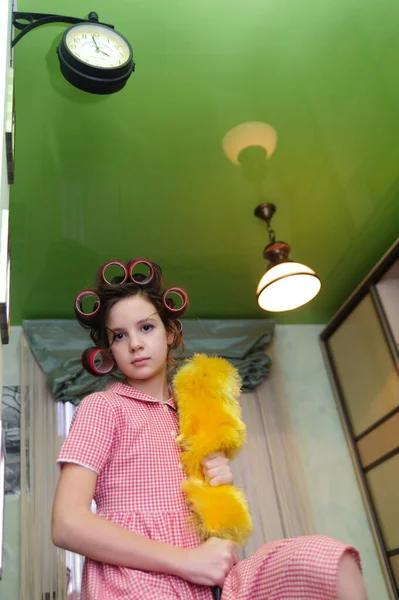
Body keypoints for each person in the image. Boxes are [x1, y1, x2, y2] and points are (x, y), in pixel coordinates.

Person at [52, 259, 367, 600]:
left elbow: (215, 523)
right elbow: (67, 524)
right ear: (109, 350)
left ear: (170, 332)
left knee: (328, 561)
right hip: (135, 582)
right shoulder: (103, 407)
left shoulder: (190, 413)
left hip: (211, 581)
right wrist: (186, 561)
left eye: (146, 328)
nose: (135, 344)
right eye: (119, 335)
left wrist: (220, 486)